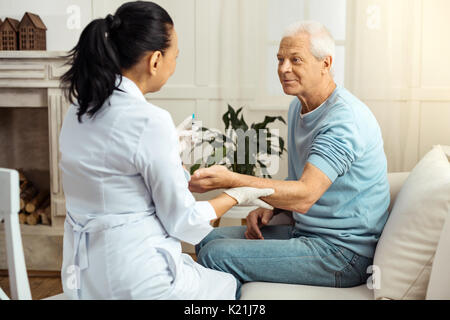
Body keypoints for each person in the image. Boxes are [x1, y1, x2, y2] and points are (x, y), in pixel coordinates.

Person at [58, 1, 273, 300]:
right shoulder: (150, 121)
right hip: (136, 278)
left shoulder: (78, 109)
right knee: (228, 285)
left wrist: (170, 155)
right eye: (176, 56)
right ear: (156, 60)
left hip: (84, 275)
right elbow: (183, 222)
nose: (174, 65)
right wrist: (238, 193)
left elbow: (116, 178)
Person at [190, 21, 390, 299]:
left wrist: (234, 181)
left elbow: (306, 194)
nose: (283, 69)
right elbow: (301, 181)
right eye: (280, 59)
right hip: (306, 232)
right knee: (206, 239)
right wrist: (274, 210)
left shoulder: (344, 120)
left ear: (326, 63)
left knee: (217, 254)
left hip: (343, 254)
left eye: (295, 60)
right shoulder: (299, 106)